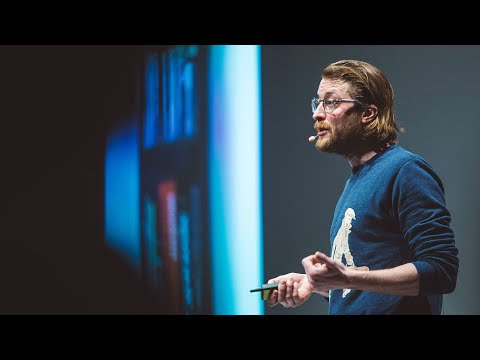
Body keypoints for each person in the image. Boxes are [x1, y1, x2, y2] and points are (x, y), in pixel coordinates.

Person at [267, 60, 459, 315]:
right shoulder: (358, 180)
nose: (317, 113)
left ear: (367, 114)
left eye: (331, 102)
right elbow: (366, 286)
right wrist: (318, 285)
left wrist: (347, 279)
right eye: (317, 102)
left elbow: (441, 270)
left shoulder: (405, 171)